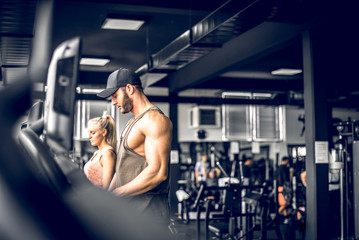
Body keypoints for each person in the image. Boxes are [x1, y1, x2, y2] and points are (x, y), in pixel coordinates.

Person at [97, 68, 173, 226]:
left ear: (129, 89)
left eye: (115, 96)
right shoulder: (133, 122)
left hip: (149, 216)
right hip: (130, 214)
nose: (113, 102)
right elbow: (122, 167)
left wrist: (116, 195)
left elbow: (158, 173)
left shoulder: (155, 120)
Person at [83, 114, 117, 190]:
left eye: (93, 133)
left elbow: (106, 189)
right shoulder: (98, 153)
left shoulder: (107, 154)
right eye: (89, 132)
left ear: (104, 132)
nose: (89, 136)